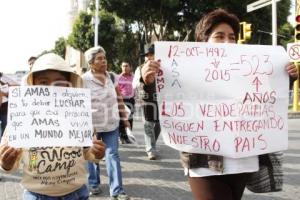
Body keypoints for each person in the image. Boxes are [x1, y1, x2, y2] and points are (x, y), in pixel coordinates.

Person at [141, 9, 298, 200]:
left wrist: (285, 78)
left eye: (232, 37)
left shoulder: (248, 68)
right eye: (219, 36)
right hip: (204, 164)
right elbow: (160, 105)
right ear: (203, 41)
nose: (227, 42)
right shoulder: (183, 70)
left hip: (244, 161)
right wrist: (148, 82)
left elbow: (267, 100)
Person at [0, 53, 106, 199]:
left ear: (70, 84)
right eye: (43, 82)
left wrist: (97, 153)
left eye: (59, 83)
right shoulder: (21, 118)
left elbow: (88, 152)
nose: (51, 88)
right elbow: (10, 165)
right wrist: (6, 162)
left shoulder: (79, 115)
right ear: (32, 84)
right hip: (37, 195)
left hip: (76, 193)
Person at [82, 46, 130, 200]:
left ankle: (117, 190)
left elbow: (119, 98)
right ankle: (94, 183)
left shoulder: (112, 77)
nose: (103, 61)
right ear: (91, 63)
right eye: (99, 59)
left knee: (113, 155)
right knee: (93, 155)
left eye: (104, 58)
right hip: (92, 125)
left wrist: (125, 119)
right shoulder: (83, 80)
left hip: (112, 123)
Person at [137, 44, 161, 160]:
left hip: (160, 101)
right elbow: (135, 85)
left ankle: (152, 144)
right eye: (147, 55)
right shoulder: (140, 68)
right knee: (148, 125)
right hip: (146, 100)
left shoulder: (162, 68)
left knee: (159, 125)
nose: (149, 57)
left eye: (151, 54)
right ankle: (151, 149)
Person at [118, 61, 135, 144]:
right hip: (122, 101)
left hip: (131, 100)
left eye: (126, 66)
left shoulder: (133, 77)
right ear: (121, 67)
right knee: (122, 119)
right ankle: (122, 136)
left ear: (130, 67)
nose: (125, 68)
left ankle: (129, 136)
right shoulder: (118, 78)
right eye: (123, 66)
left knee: (130, 118)